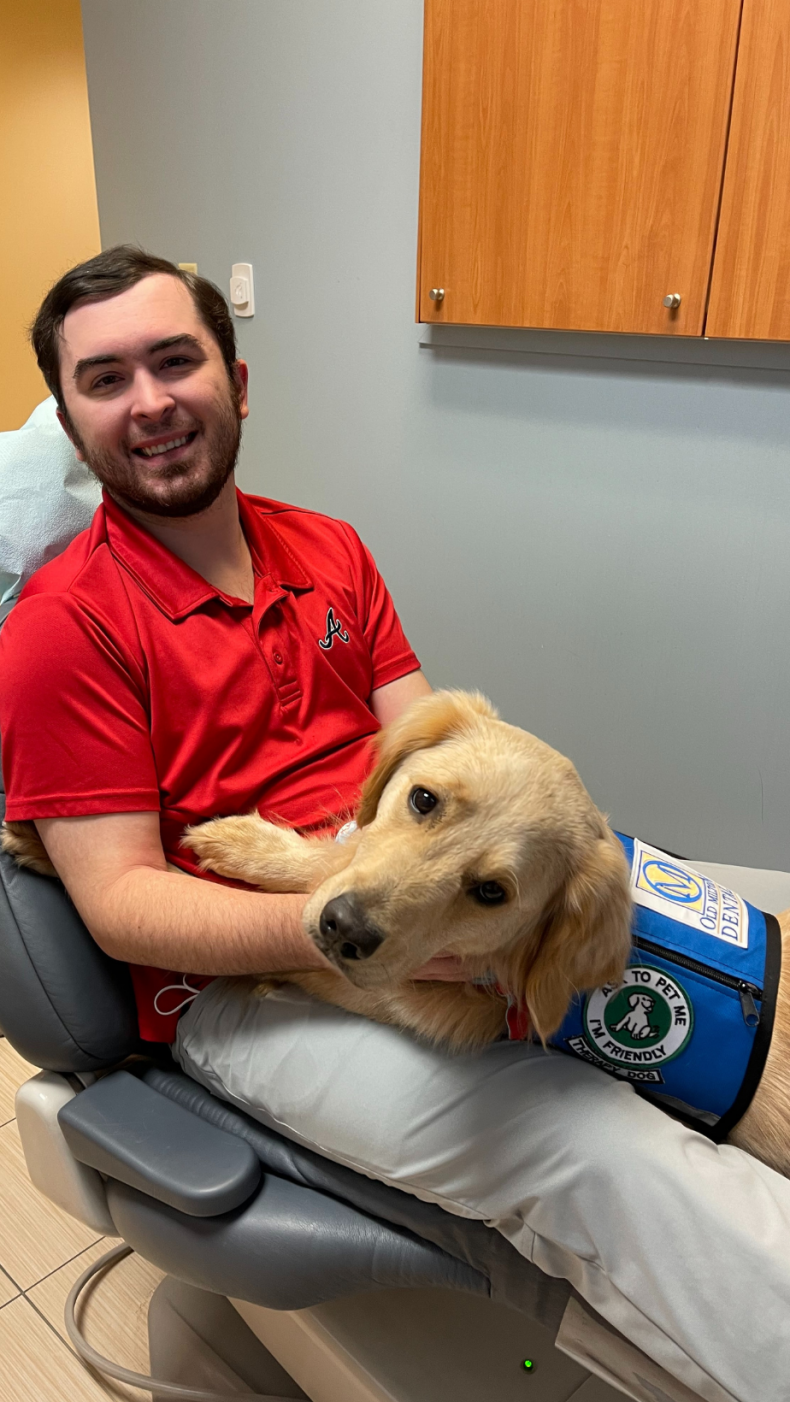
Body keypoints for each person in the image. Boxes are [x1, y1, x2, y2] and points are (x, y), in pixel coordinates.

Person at [2, 247, 789, 1402]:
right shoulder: (61, 634)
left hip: (403, 906)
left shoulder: (328, 548)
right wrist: (369, 922)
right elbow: (122, 907)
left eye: (178, 361)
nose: (152, 400)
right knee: (587, 1146)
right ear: (73, 422)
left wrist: (493, 887)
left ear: (238, 378)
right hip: (239, 994)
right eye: (106, 378)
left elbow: (430, 746)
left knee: (720, 997)